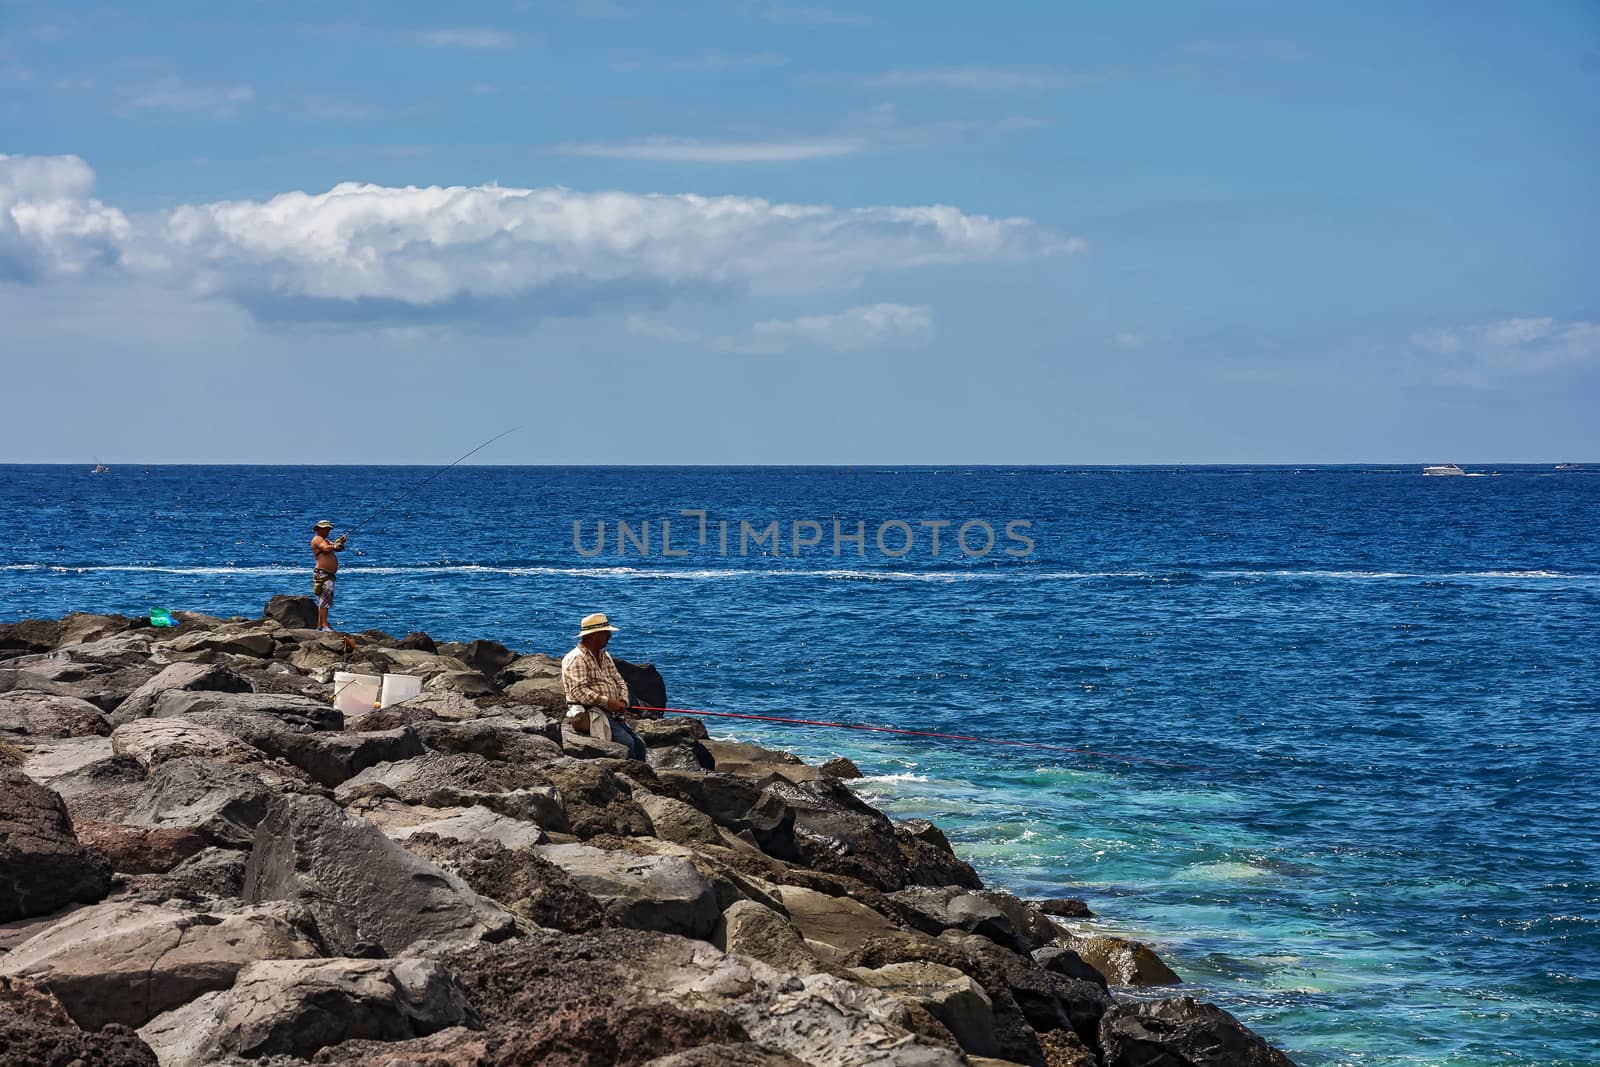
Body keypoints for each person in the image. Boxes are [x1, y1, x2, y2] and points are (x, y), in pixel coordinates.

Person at [561, 612, 647, 760]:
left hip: (612, 712)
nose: (610, 636)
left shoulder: (604, 655)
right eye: (606, 633)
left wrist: (623, 701)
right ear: (594, 635)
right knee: (626, 743)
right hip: (592, 711)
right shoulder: (576, 659)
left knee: (640, 744)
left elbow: (619, 680)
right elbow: (579, 692)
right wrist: (608, 703)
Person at [309, 520, 347, 632]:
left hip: (328, 574)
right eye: (325, 528)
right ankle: (325, 626)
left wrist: (341, 543)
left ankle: (320, 626)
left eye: (329, 529)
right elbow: (325, 548)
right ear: (319, 529)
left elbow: (336, 548)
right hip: (323, 573)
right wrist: (335, 545)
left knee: (324, 599)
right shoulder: (317, 539)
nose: (328, 530)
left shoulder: (326, 540)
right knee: (324, 600)